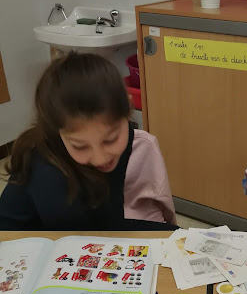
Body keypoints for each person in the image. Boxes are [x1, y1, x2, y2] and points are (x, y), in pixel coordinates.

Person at [0, 52, 177, 231]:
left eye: (110, 140)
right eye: (80, 146)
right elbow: (86, 237)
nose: (100, 158)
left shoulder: (128, 136)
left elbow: (111, 215)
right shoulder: (48, 175)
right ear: (56, 131)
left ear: (128, 110)